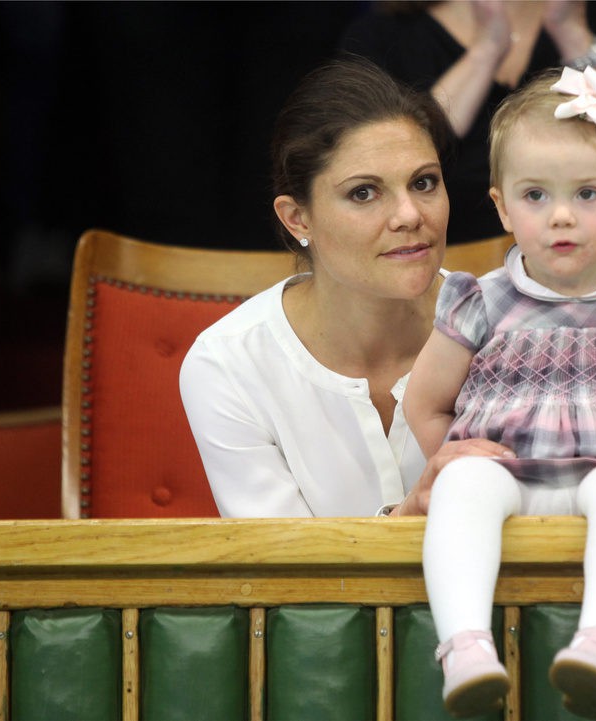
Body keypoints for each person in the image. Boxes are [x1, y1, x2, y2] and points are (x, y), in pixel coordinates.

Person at [403, 67, 596, 719]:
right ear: (501, 205)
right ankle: (465, 648)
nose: (563, 215)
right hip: (510, 476)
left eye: (589, 193)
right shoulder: (480, 300)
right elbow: (425, 401)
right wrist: (460, 452)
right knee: (462, 486)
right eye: (536, 195)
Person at [179, 56, 516, 518]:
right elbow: (283, 572)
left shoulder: (513, 329)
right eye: (364, 192)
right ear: (298, 218)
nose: (410, 215)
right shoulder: (229, 363)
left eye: (423, 182)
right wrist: (407, 520)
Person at [340, 0, 596, 264]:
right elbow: (381, 161)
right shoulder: (385, 33)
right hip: (441, 277)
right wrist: (486, 50)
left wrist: (573, 34)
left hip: (591, 279)